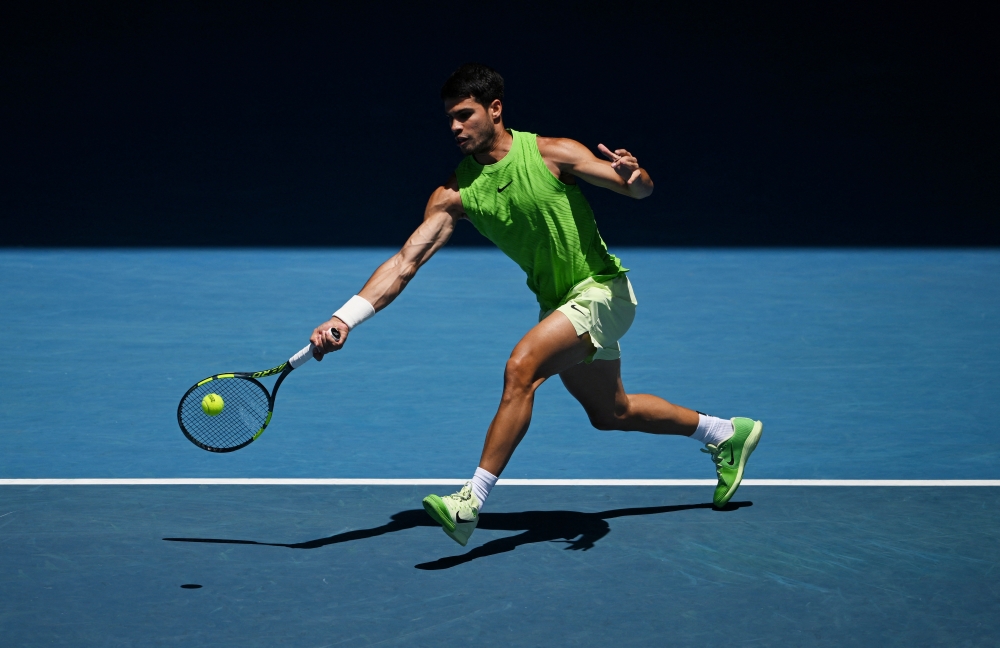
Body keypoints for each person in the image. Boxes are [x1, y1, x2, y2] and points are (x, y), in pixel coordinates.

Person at [309, 63, 762, 547]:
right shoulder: (454, 193)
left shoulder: (552, 153)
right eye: (449, 119)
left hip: (602, 291)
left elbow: (637, 189)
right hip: (559, 305)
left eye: (465, 115)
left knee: (521, 368)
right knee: (612, 412)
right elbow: (405, 262)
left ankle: (470, 502)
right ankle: (724, 433)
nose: (455, 128)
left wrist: (636, 175)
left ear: (496, 109)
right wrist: (345, 317)